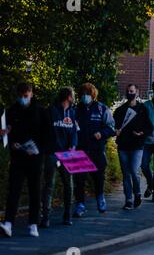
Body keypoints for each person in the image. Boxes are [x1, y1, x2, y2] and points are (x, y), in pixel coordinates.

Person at [0, 83, 46, 238]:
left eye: (26, 96)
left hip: (35, 156)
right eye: (21, 96)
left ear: (31, 94)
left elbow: (46, 134)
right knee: (14, 189)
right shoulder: (12, 111)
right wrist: (9, 139)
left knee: (35, 190)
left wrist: (38, 148)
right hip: (18, 156)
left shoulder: (40, 111)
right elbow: (7, 133)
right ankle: (8, 223)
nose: (23, 99)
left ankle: (33, 224)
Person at [73, 82, 115, 218]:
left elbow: (111, 128)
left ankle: (100, 197)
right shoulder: (75, 110)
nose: (85, 97)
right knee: (79, 180)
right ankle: (80, 204)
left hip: (97, 150)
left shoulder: (101, 109)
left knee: (98, 178)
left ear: (93, 95)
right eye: (83, 94)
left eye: (88, 94)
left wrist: (102, 134)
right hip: (80, 150)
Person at [40, 87, 78, 228]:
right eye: (73, 95)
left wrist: (73, 145)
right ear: (68, 97)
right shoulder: (51, 111)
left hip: (67, 154)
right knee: (49, 185)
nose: (74, 97)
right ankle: (46, 217)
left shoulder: (72, 113)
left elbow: (74, 132)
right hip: (52, 153)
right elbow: (44, 131)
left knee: (69, 185)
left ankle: (67, 216)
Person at [113, 84, 153, 210]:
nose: (130, 93)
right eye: (128, 91)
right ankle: (128, 200)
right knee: (126, 174)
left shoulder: (142, 109)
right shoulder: (120, 110)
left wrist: (142, 133)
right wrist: (115, 131)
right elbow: (113, 126)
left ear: (137, 92)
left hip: (137, 146)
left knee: (134, 171)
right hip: (123, 146)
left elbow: (149, 127)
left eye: (132, 91)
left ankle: (137, 193)